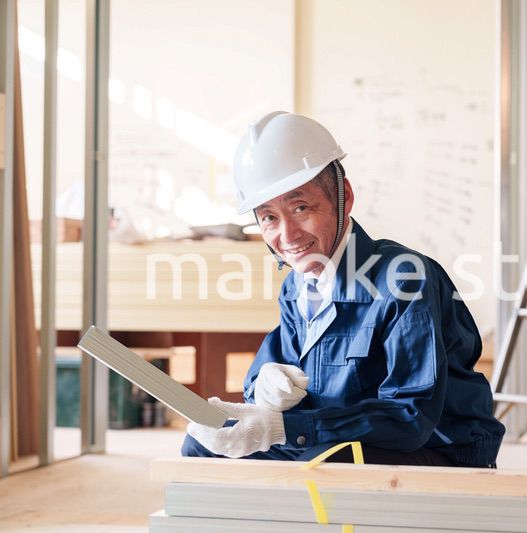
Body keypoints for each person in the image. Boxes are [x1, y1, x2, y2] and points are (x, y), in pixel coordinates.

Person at [182, 111, 505, 467]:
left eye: (301, 207)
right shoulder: (297, 286)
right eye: (269, 218)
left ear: (344, 197)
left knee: (326, 462)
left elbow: (410, 419)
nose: (287, 236)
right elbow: (275, 370)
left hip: (434, 448)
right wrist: (264, 388)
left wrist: (283, 429)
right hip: (337, 437)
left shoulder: (405, 280)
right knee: (204, 445)